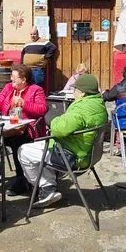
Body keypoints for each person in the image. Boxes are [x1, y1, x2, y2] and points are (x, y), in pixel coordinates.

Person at [18, 74, 108, 208]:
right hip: (88, 154)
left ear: (83, 93)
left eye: (75, 90)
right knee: (38, 147)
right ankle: (49, 186)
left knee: (23, 151)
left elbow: (59, 129)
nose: (73, 92)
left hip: (71, 156)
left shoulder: (81, 109)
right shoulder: (99, 105)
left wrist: (53, 120)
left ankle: (46, 187)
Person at [0, 64, 48, 196]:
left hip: (28, 129)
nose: (11, 79)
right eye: (11, 76)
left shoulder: (35, 90)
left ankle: (21, 179)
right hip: (9, 126)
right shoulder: (9, 88)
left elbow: (42, 109)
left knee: (18, 142)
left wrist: (23, 103)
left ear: (24, 79)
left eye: (14, 77)